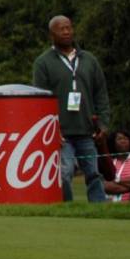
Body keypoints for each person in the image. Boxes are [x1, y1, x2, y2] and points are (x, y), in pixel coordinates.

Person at [32, 15, 111, 203]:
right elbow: (40, 100)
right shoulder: (43, 62)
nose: (66, 32)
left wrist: (104, 124)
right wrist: (50, 130)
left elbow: (101, 93)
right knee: (64, 174)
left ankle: (99, 210)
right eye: (61, 29)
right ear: (52, 34)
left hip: (87, 130)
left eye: (69, 28)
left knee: (94, 173)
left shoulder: (89, 59)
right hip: (61, 133)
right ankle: (67, 209)